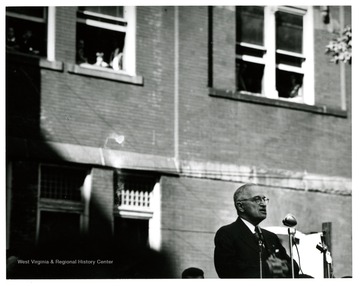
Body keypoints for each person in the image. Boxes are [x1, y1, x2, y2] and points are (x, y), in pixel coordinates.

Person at [214, 183, 299, 278]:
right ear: (240, 206)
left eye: (264, 199)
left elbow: (294, 267)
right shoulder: (227, 233)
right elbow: (227, 271)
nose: (263, 204)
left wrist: (284, 267)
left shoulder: (270, 237)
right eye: (257, 199)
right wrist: (268, 268)